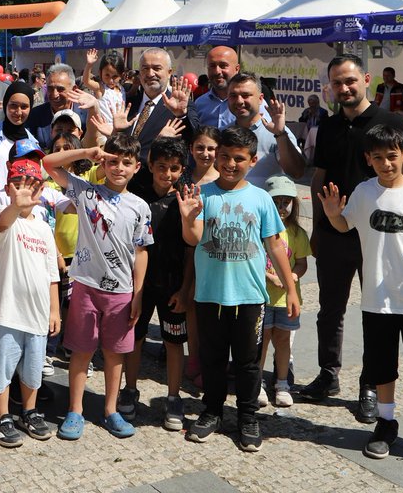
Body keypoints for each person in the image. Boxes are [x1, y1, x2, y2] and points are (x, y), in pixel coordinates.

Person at [318, 123, 403, 478]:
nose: (386, 163)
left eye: (392, 156)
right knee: (381, 367)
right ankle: (386, 423)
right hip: (377, 299)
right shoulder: (364, 192)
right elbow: (345, 226)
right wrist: (332, 214)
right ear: (368, 159)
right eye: (378, 158)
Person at [302, 53, 403, 424]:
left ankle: (371, 384)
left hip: (380, 236)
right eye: (337, 82)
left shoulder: (392, 122)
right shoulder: (328, 126)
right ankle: (328, 374)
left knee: (378, 313)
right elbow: (319, 179)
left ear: (366, 80)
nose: (344, 88)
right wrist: (317, 227)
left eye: (350, 80)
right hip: (334, 233)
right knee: (329, 310)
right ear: (330, 86)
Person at [180, 126, 300, 452]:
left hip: (250, 297)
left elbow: (275, 246)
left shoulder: (260, 199)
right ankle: (212, 411)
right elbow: (193, 239)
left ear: (253, 160)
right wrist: (188, 218)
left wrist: (291, 289)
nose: (230, 164)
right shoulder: (201, 194)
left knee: (248, 362)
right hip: (210, 295)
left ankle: (248, 416)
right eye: (224, 156)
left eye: (238, 158)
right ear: (216, 156)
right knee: (213, 358)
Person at [43, 134, 152, 441]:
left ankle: (111, 410)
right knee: (81, 351)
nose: (119, 168)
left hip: (122, 292)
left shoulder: (140, 206)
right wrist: (87, 151)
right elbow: (48, 164)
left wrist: (138, 294)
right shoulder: (87, 193)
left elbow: (141, 251)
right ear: (103, 163)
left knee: (115, 354)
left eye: (126, 163)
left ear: (137, 167)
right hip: (86, 287)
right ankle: (75, 410)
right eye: (112, 161)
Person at [0, 151, 62, 447]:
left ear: (41, 190)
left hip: (38, 313)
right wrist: (15, 206)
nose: (25, 191)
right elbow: (4, 222)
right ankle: (1, 416)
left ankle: (29, 411)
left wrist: (54, 310)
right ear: (8, 189)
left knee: (32, 370)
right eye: (18, 185)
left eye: (31, 185)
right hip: (7, 311)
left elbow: (52, 273)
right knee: (1, 367)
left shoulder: (43, 227)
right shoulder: (2, 216)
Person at [121, 136, 193, 431]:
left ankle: (174, 397)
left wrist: (185, 290)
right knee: (134, 338)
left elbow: (191, 249)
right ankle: (130, 389)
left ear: (182, 169)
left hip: (173, 285)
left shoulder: (186, 200)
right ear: (149, 165)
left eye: (174, 168)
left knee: (174, 343)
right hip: (138, 284)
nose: (167, 174)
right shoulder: (135, 195)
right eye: (161, 166)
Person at [257, 175, 310, 409]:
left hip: (286, 300)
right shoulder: (258, 231)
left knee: (283, 341)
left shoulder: (297, 233)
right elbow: (253, 261)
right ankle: (257, 383)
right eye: (275, 201)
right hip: (262, 297)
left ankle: (281, 383)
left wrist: (292, 277)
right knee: (261, 341)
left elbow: (302, 263)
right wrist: (270, 277)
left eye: (285, 202)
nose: (281, 207)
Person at [117, 49, 197, 186]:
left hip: (156, 188)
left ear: (169, 72)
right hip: (122, 186)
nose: (150, 74)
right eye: (145, 68)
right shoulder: (127, 103)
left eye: (156, 68)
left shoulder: (180, 106)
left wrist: (181, 115)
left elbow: (193, 138)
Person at [226, 72, 305, 186]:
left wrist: (280, 135)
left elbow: (296, 173)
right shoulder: (223, 133)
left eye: (245, 95)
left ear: (260, 99)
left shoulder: (278, 133)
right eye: (233, 95)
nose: (239, 101)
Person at [25, 63, 85, 146]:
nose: (55, 94)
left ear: (74, 89)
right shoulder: (34, 116)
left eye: (60, 89)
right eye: (50, 88)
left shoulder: (86, 116)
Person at [194, 46, 245, 127]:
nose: (217, 71)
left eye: (223, 65)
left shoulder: (250, 102)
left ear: (237, 69)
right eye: (212, 66)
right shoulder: (199, 104)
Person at [81, 48, 127, 127]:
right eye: (107, 75)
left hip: (118, 129)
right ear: (100, 73)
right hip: (103, 129)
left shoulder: (121, 89)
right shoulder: (100, 88)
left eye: (115, 76)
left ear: (121, 75)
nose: (111, 80)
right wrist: (89, 64)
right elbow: (86, 81)